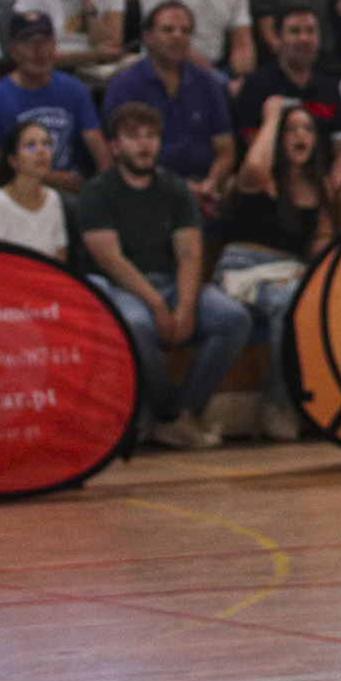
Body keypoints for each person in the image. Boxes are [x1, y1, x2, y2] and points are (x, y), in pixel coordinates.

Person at [78, 102, 252, 451]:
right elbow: (111, 261)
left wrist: (185, 306)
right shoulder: (97, 192)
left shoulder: (174, 188)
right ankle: (170, 416)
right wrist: (157, 303)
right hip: (120, 286)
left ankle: (177, 413)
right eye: (133, 137)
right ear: (114, 146)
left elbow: (189, 254)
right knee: (137, 325)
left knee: (234, 318)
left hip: (172, 282)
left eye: (151, 136)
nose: (144, 145)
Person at [218, 102, 340, 440]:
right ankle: (277, 404)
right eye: (291, 130)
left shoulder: (320, 186)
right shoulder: (262, 177)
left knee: (316, 298)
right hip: (245, 266)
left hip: (291, 272)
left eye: (307, 129)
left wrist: (312, 275)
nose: (301, 136)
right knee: (289, 305)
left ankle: (328, 403)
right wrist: (272, 116)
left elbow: (320, 244)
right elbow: (255, 165)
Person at [101, 0, 235, 203]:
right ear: (148, 37)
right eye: (168, 29)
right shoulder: (125, 85)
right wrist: (180, 191)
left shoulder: (208, 83)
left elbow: (226, 149)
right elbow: (119, 153)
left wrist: (210, 185)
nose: (177, 36)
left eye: (184, 31)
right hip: (145, 188)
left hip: (205, 186)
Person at [0, 10, 106, 188]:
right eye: (29, 43)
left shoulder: (74, 89)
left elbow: (101, 154)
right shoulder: (1, 97)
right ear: (14, 51)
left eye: (44, 42)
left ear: (54, 46)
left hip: (72, 193)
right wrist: (49, 178)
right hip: (21, 193)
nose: (38, 50)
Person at [233, 5, 341, 157]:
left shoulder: (330, 88)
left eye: (310, 31)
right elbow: (254, 149)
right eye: (295, 31)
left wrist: (335, 181)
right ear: (278, 38)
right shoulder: (257, 85)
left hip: (321, 177)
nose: (304, 39)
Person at [0, 119, 67, 259]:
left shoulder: (53, 198)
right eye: (30, 146)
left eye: (46, 144)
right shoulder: (0, 203)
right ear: (12, 160)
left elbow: (60, 256)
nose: (41, 151)